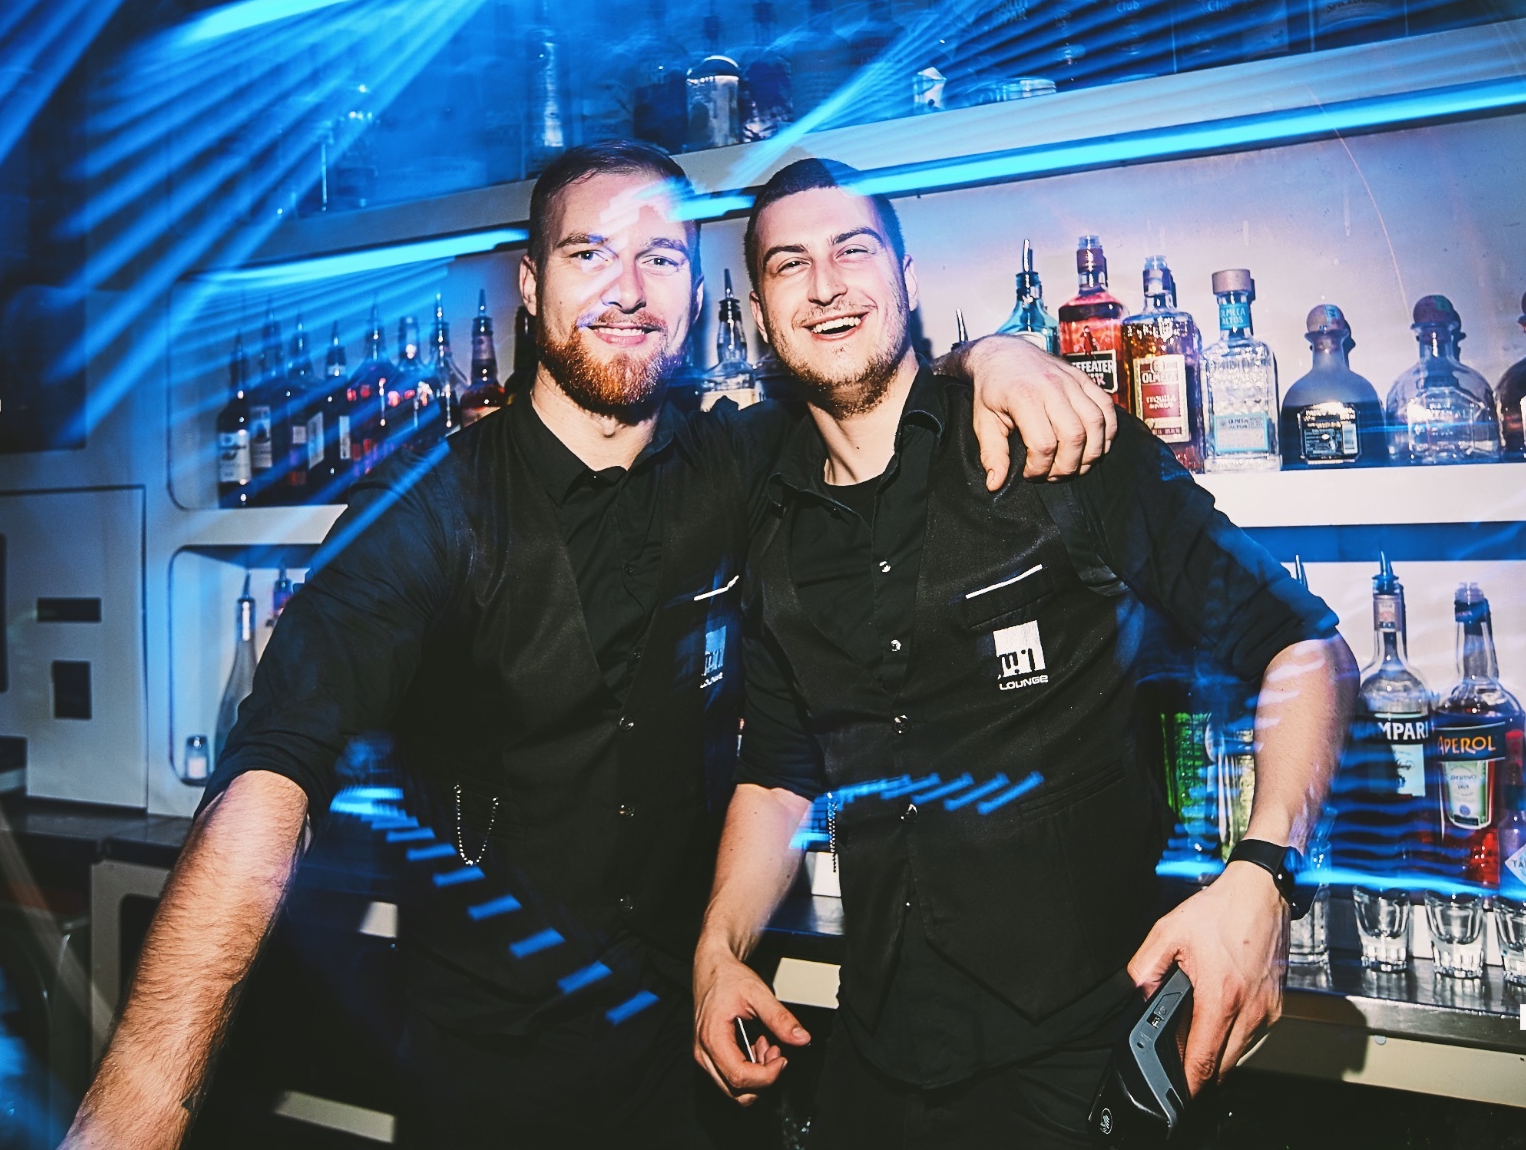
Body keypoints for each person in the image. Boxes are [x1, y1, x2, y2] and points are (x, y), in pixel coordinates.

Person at [60, 142, 1114, 1150]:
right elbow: (272, 776)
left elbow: (866, 376)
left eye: (661, 258)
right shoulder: (425, 512)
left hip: (695, 1070)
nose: (628, 290)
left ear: (696, 293)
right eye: (589, 253)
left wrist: (992, 354)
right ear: (530, 286)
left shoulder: (739, 461)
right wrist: (138, 1113)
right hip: (488, 1087)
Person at [691, 158, 1358, 1149]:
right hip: (875, 1064)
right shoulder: (771, 511)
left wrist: (1262, 874)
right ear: (761, 310)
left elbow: (1304, 647)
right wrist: (718, 947)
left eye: (852, 250)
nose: (825, 284)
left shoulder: (1057, 442)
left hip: (1085, 1065)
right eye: (790, 263)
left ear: (908, 278)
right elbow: (782, 776)